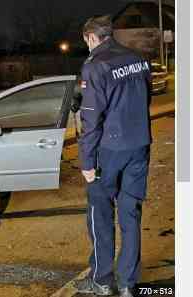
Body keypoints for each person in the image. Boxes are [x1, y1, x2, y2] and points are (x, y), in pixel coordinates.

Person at [73, 15, 152, 297]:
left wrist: (86, 162)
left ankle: (103, 281)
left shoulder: (95, 65)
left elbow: (91, 119)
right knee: (130, 216)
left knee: (101, 214)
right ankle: (130, 284)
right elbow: (145, 100)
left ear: (91, 37)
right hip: (139, 146)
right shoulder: (139, 59)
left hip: (109, 151)